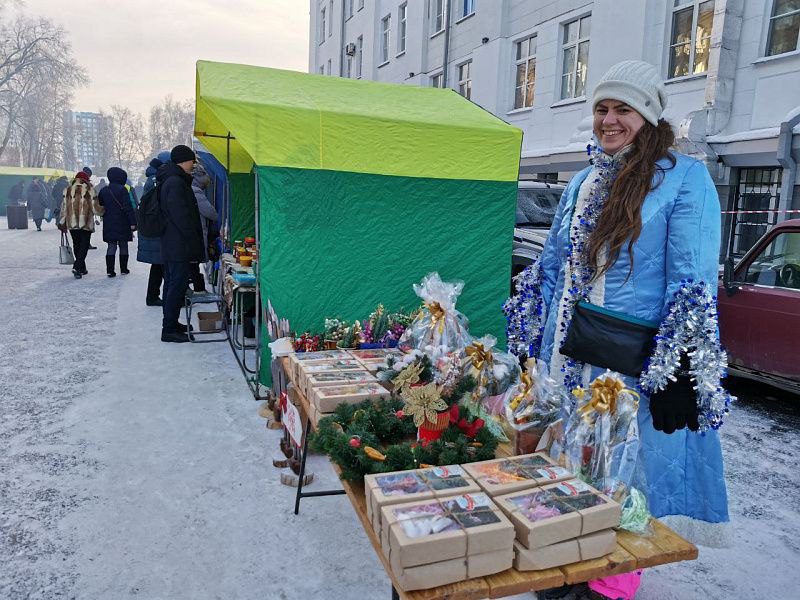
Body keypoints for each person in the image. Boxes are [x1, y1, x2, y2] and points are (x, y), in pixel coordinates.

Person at [506, 61, 730, 600]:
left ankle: (607, 588)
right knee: (564, 467)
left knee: (620, 476)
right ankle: (559, 569)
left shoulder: (685, 178)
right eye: (602, 109)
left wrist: (679, 363)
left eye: (622, 109)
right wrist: (530, 340)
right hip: (569, 359)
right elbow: (554, 265)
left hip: (631, 364)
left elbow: (693, 276)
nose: (608, 120)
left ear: (648, 117)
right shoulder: (584, 180)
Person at [158, 144, 204, 343]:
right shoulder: (175, 182)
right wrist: (191, 237)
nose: (193, 164)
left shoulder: (171, 179)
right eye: (191, 160)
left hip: (173, 242)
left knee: (173, 283)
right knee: (176, 284)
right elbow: (181, 215)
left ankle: (172, 323)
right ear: (183, 161)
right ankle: (169, 328)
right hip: (178, 243)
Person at [58, 171, 103, 279]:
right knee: (84, 245)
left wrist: (62, 222)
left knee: (76, 244)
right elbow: (95, 208)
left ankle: (82, 268)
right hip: (85, 222)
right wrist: (102, 212)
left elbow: (63, 208)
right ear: (86, 180)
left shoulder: (68, 190)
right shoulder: (89, 190)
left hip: (72, 222)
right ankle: (77, 266)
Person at [97, 167, 137, 277]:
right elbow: (128, 207)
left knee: (111, 246)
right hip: (123, 221)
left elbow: (100, 204)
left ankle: (110, 270)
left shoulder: (104, 190)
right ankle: (124, 269)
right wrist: (133, 222)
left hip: (109, 221)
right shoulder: (123, 189)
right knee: (123, 245)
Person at [138, 156, 166, 306]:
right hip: (156, 229)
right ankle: (153, 296)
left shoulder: (152, 179)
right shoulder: (156, 181)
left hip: (152, 227)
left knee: (158, 265)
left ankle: (153, 296)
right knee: (161, 264)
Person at [188, 162, 219, 292]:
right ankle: (199, 288)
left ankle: (197, 287)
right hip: (196, 232)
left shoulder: (188, 188)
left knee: (191, 263)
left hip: (189, 232)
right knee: (193, 262)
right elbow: (210, 213)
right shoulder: (196, 192)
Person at [82, 167, 99, 250]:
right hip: (87, 211)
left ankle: (83, 244)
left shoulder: (72, 185)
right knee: (87, 229)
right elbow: (94, 200)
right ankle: (86, 243)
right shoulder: (89, 186)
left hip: (76, 212)